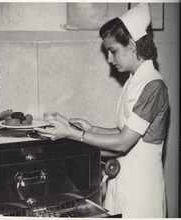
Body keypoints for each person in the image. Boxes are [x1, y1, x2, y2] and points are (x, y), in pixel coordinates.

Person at [34, 3, 168, 218]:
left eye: (113, 51)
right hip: (122, 183)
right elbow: (125, 131)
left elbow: (124, 142)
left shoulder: (153, 86)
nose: (109, 59)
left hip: (141, 191)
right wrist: (89, 128)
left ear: (133, 45)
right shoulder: (134, 82)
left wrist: (72, 134)